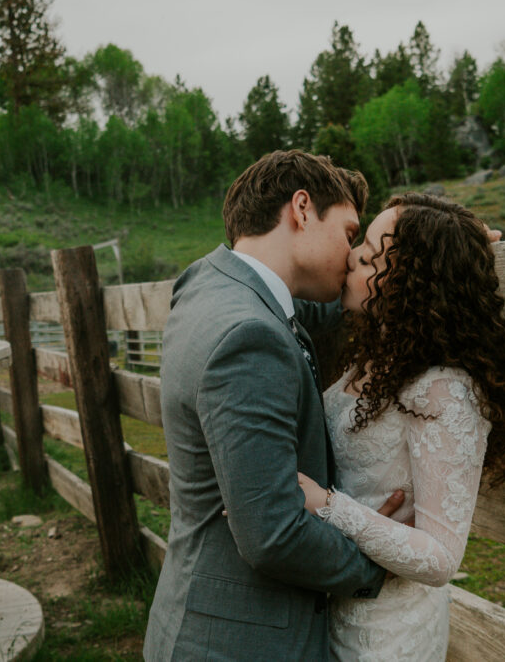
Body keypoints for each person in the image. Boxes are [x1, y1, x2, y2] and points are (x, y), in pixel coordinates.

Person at [145, 150, 405, 661]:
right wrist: (382, 562)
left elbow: (317, 307)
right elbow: (275, 534)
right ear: (302, 208)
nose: (353, 256)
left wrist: (440, 252)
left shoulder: (208, 283)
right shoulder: (250, 336)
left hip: (194, 618)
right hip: (241, 644)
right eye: (349, 234)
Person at [297, 192, 505, 660]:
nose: (350, 261)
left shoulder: (444, 391)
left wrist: (325, 506)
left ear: (410, 281)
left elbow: (441, 557)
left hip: (388, 631)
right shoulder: (375, 355)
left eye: (368, 258)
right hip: (334, 600)